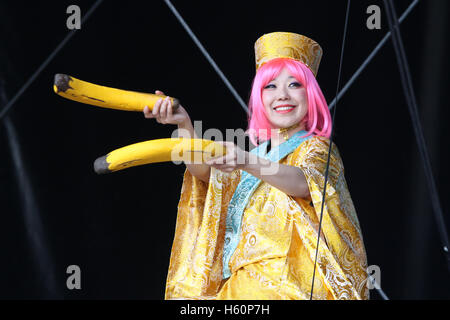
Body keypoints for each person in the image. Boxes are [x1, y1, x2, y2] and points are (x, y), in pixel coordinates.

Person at [143, 32, 368, 300]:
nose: (282, 95)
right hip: (244, 286)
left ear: (311, 95)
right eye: (270, 86)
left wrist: (245, 160)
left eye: (294, 84)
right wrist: (184, 125)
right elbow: (205, 175)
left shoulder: (316, 148)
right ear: (259, 97)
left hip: (288, 288)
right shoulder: (256, 155)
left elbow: (302, 182)